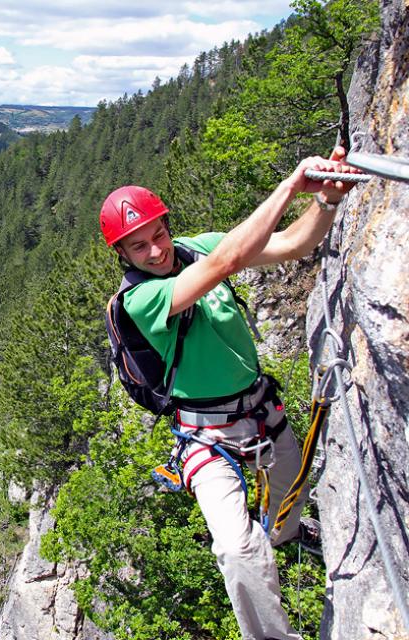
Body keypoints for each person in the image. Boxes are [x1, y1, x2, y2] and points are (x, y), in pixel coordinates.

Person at [99, 147, 361, 640]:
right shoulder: (141, 299)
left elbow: (291, 245)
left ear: (167, 224)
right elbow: (228, 262)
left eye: (158, 234)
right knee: (238, 550)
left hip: (261, 412)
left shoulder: (198, 247)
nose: (155, 251)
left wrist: (324, 202)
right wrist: (288, 186)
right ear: (122, 255)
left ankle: (284, 537)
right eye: (138, 247)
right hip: (205, 439)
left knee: (289, 499)